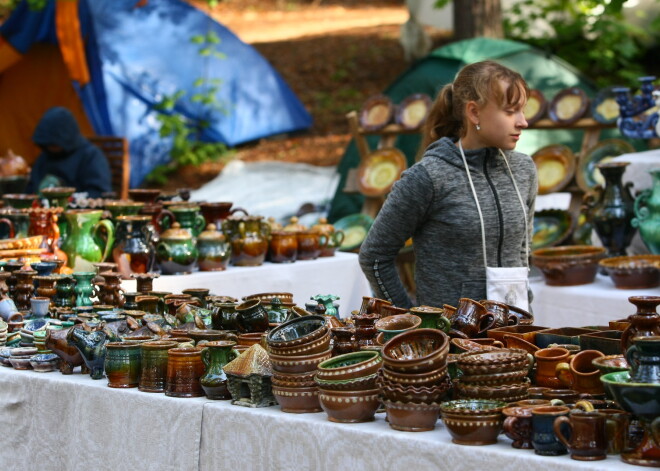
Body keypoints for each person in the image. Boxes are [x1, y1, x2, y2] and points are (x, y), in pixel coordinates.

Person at [358, 61, 538, 309]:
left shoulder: (523, 170)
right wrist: (411, 323)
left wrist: (524, 308)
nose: (523, 122)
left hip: (516, 333)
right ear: (474, 112)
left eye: (522, 111)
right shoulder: (428, 176)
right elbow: (375, 257)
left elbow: (523, 250)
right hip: (451, 340)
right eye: (510, 112)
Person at [26, 107, 112, 198]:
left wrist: (71, 200)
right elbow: (31, 189)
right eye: (47, 145)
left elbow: (99, 193)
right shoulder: (45, 156)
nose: (50, 148)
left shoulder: (90, 156)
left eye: (53, 144)